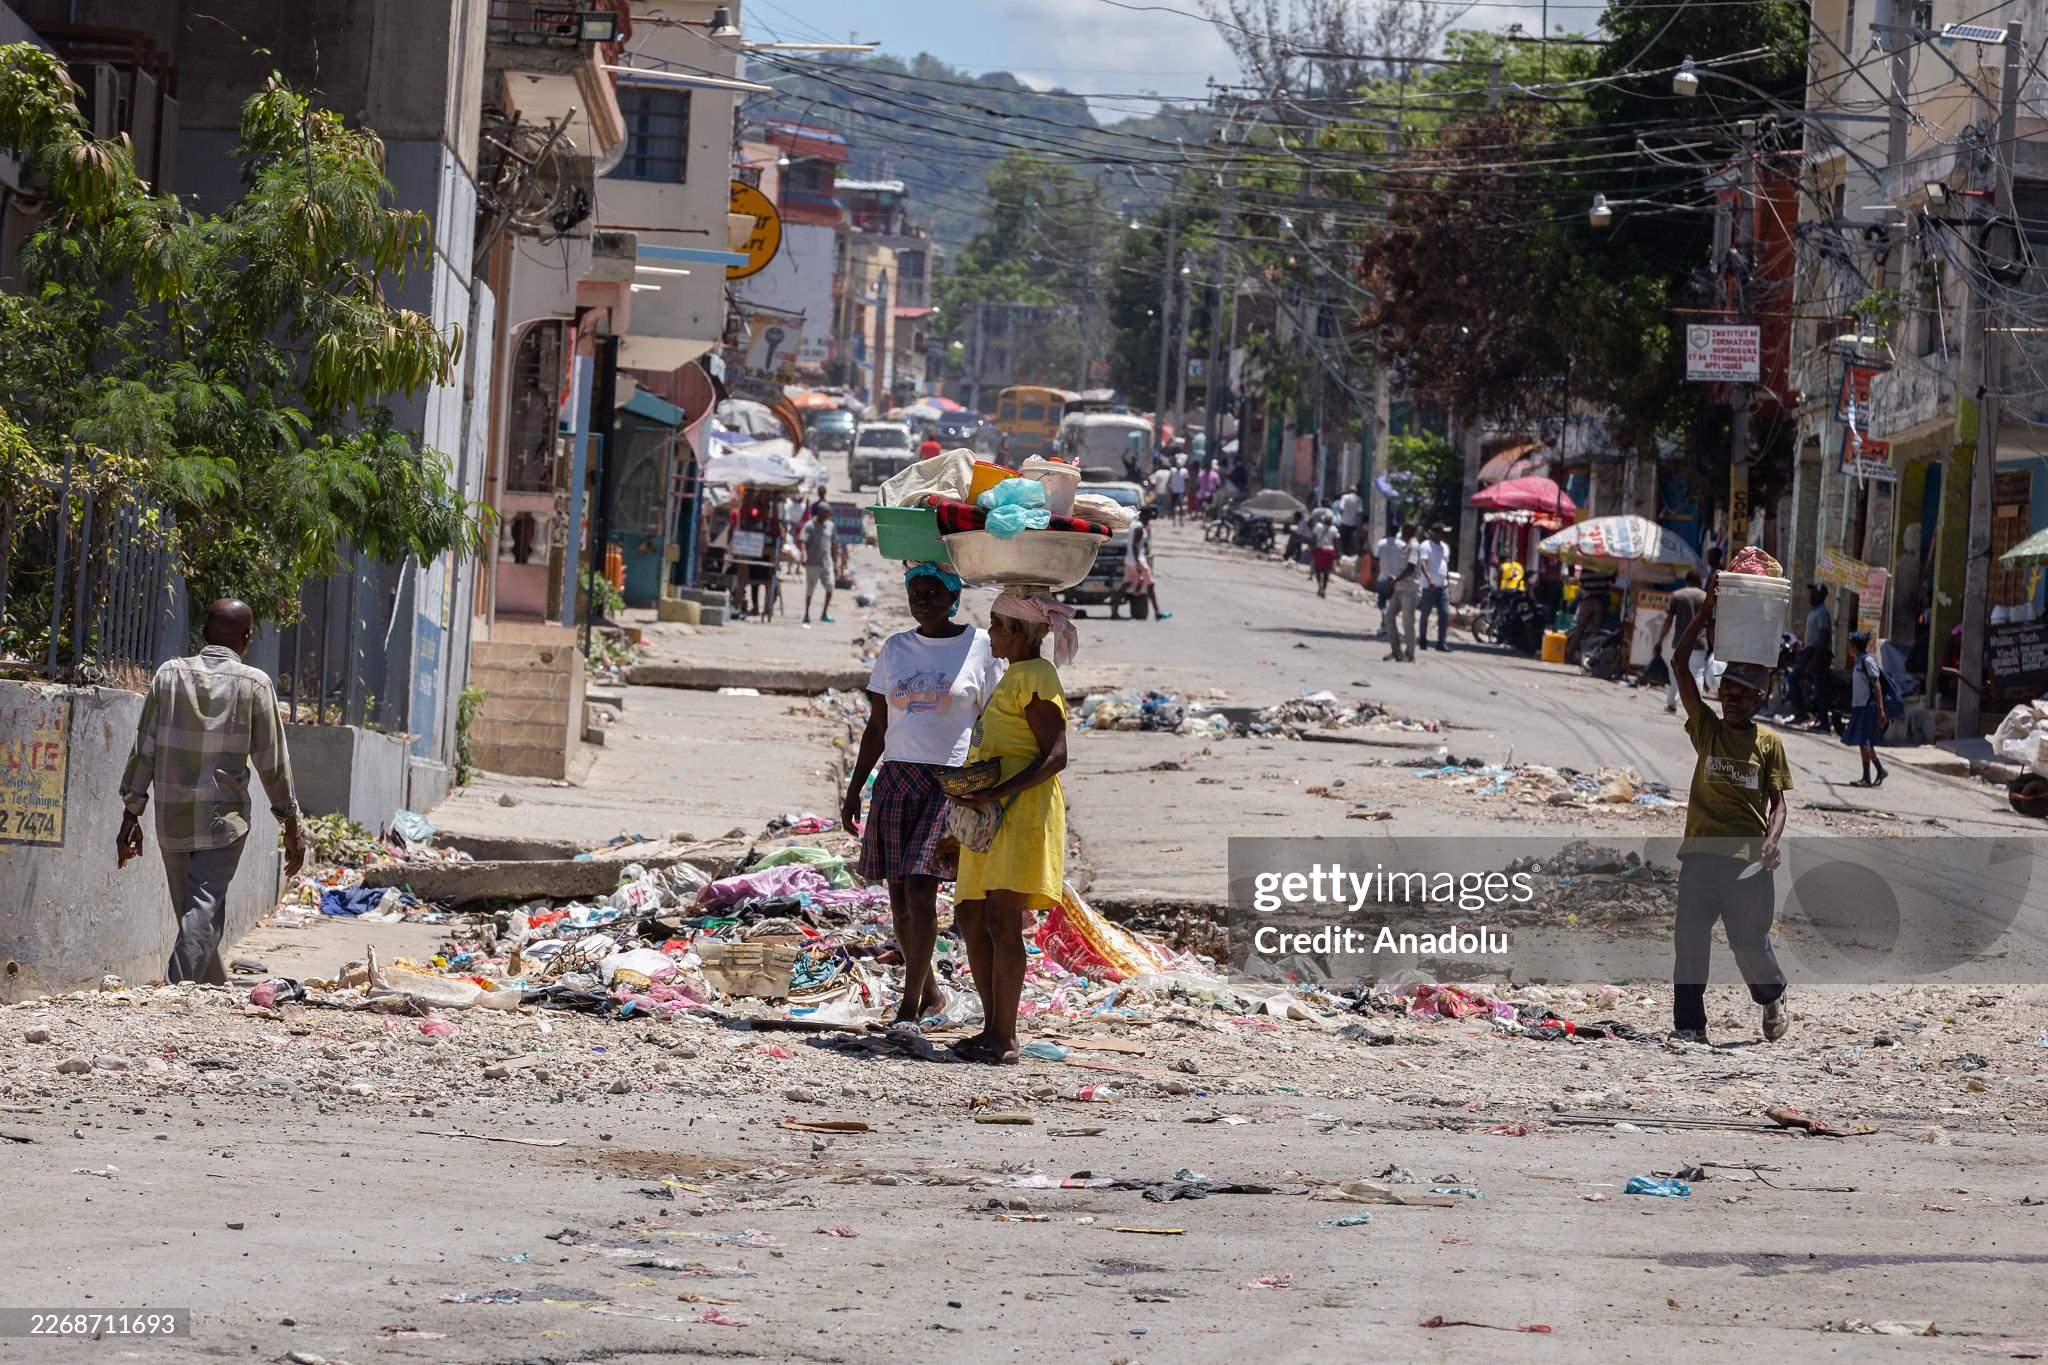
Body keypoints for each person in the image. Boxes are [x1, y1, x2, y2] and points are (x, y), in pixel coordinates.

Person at [842, 563, 1005, 1035]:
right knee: (898, 896)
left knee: (921, 889)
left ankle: (909, 1005)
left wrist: (985, 791)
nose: (923, 600)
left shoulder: (980, 648)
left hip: (948, 782)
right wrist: (855, 789)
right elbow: (877, 727)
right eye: (916, 592)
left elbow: (992, 722)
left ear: (953, 598)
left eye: (933, 592)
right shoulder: (895, 648)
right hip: (896, 778)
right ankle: (931, 991)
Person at [117, 598, 306, 985]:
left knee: (196, 912)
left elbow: (144, 750)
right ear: (247, 638)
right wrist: (290, 824)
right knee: (201, 909)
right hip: (224, 820)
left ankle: (210, 990)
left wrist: (131, 813)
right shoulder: (255, 684)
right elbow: (272, 762)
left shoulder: (168, 676)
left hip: (172, 816)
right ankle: (172, 993)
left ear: (203, 634)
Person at [947, 592, 1075, 1064]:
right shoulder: (1014, 675)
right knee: (972, 917)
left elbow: (1055, 755)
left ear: (1017, 632)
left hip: (1020, 814)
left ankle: (1004, 1036)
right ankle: (990, 1028)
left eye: (997, 627)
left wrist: (993, 793)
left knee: (1002, 921)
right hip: (990, 813)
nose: (991, 635)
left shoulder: (1039, 677)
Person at [1667, 578, 1792, 1046]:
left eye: (1742, 695)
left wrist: (1771, 841)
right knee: (1690, 940)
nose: (1731, 701)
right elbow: (1680, 663)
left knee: (1747, 944)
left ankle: (1773, 994)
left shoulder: (1768, 744)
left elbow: (1778, 804)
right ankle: (1689, 1025)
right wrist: (1706, 611)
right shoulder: (1707, 730)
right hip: (1700, 855)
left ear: (1758, 699)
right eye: (1727, 692)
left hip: (1746, 861)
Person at [1656, 572, 1709, 714]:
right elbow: (1711, 624)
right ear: (1699, 581)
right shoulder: (1706, 598)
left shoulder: (1677, 595)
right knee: (1697, 673)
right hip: (1699, 642)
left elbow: (1668, 621)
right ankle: (1698, 710)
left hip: (1680, 642)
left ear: (1687, 581)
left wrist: (1660, 641)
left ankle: (1671, 703)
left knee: (1676, 673)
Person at [1842, 630, 1890, 787]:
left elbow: (1877, 686)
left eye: (1850, 645)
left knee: (1864, 742)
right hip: (1860, 705)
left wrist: (1880, 710)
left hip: (1868, 705)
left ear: (1855, 646)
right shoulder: (1859, 660)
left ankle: (1866, 777)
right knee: (1865, 741)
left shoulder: (1867, 661)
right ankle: (1879, 769)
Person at [1111, 505, 1171, 621]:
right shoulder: (1139, 528)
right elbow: (1134, 545)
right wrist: (1138, 564)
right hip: (1137, 560)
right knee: (1150, 585)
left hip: (1130, 560)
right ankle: (1157, 612)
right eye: (1148, 516)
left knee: (1126, 585)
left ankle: (1115, 611)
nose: (1149, 518)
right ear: (1143, 515)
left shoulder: (1134, 525)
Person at [1790, 584, 1834, 732]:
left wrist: (1815, 660)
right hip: (1811, 654)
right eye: (1811, 592)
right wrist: (1802, 644)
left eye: (1814, 592)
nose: (1811, 595)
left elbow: (1824, 637)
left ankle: (1822, 724)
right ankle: (1805, 714)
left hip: (1818, 657)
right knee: (1802, 682)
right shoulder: (1814, 612)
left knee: (1818, 689)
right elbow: (1815, 638)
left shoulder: (1822, 612)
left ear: (1821, 595)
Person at [1382, 522, 1421, 661]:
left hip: (1410, 589)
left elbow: (1411, 568)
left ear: (1411, 531)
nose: (1403, 532)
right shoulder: (1406, 546)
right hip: (1400, 588)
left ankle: (1410, 654)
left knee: (1407, 622)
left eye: (1405, 530)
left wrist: (1395, 580)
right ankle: (1396, 650)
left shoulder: (1413, 546)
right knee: (1389, 616)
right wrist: (1395, 579)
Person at [1415, 524, 1451, 651]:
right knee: (1425, 614)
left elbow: (1445, 565)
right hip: (1428, 587)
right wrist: (1430, 580)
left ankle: (1442, 642)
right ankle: (1423, 639)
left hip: (1443, 586)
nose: (1444, 535)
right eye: (1442, 532)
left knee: (1445, 613)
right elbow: (1423, 564)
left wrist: (1448, 582)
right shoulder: (1426, 546)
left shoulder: (1445, 547)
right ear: (1435, 533)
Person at [800, 499, 835, 626]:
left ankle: (824, 613)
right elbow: (803, 541)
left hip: (826, 562)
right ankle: (806, 613)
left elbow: (834, 544)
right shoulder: (809, 526)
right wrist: (804, 555)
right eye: (826, 513)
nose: (827, 515)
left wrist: (836, 563)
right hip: (813, 562)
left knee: (830, 586)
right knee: (810, 589)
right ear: (820, 513)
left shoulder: (830, 526)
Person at [1309, 516, 1339, 598]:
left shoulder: (1318, 527)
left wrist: (1312, 548)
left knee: (1318, 570)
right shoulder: (1334, 529)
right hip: (1330, 551)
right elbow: (1336, 543)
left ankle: (1320, 586)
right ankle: (1324, 589)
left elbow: (1314, 538)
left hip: (1320, 550)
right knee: (1327, 572)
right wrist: (1337, 555)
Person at [1334, 486, 1364, 557]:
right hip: (1354, 523)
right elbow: (1360, 512)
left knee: (1344, 540)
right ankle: (1351, 554)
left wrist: (1342, 517)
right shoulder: (1359, 499)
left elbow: (1341, 508)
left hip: (1344, 522)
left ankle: (1344, 554)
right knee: (1352, 540)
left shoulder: (1345, 497)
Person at [1167, 459, 1188, 526]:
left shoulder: (1184, 471)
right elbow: (1169, 479)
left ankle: (1181, 520)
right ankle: (1174, 521)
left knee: (1181, 506)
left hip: (1181, 491)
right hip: (1174, 490)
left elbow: (1186, 480)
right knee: (1173, 506)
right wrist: (1169, 486)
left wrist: (1186, 489)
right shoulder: (1172, 470)